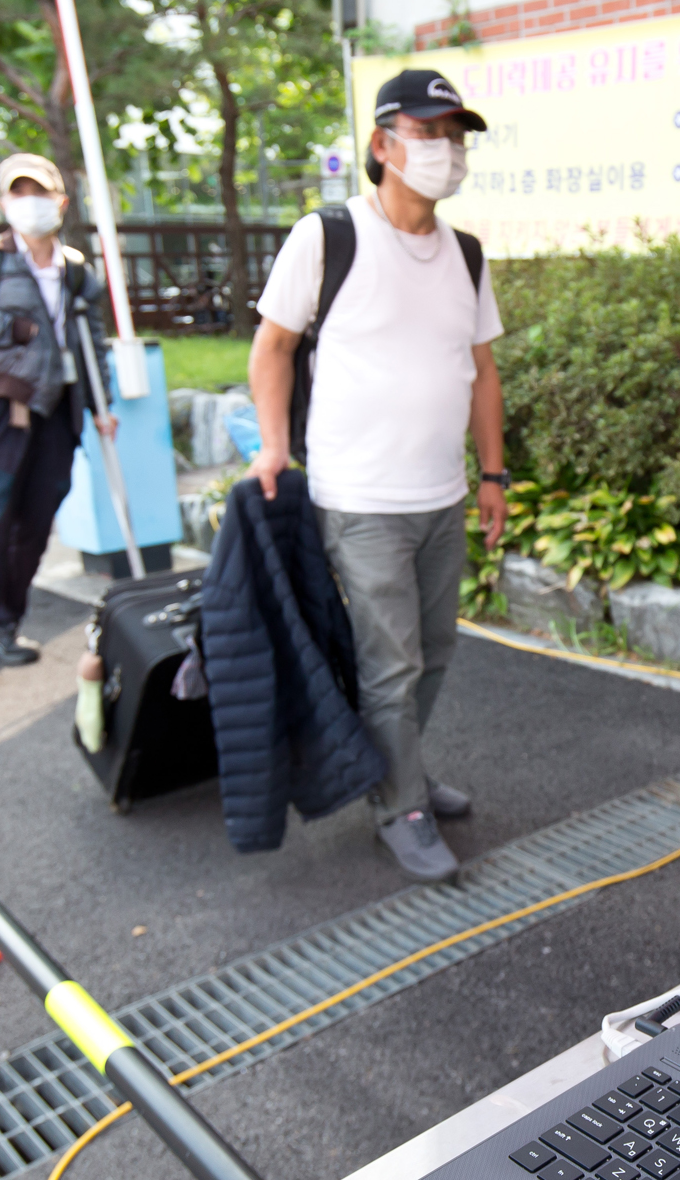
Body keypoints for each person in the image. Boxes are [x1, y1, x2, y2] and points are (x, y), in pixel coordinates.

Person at [245, 69, 508, 882]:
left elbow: (483, 370)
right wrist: (273, 444)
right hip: (361, 499)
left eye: (454, 136)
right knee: (390, 662)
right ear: (383, 145)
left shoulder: (465, 253)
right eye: (429, 134)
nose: (446, 152)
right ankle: (400, 806)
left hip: (442, 493)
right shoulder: (328, 237)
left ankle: (402, 773)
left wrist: (493, 473)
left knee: (432, 650)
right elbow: (273, 347)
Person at [0, 153, 116, 694]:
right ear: (3, 204)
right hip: (0, 407)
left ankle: (5, 625)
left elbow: (94, 344)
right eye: (18, 194)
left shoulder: (77, 269)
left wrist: (101, 403)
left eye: (38, 192)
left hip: (58, 410)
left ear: (60, 202)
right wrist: (19, 330)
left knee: (37, 524)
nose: (29, 203)